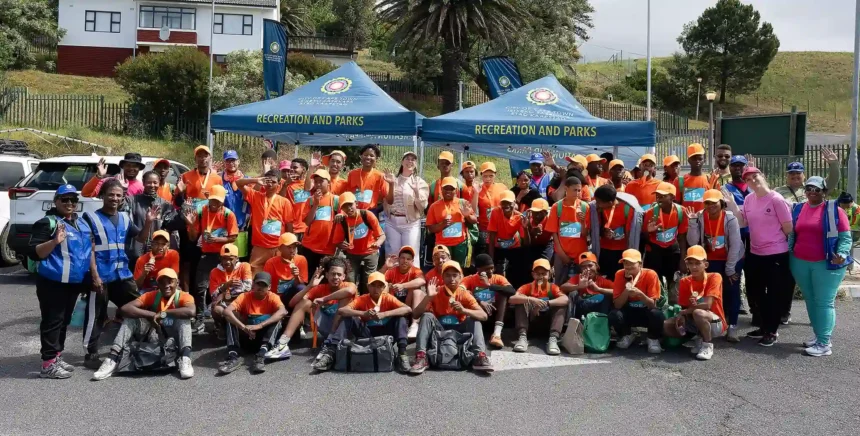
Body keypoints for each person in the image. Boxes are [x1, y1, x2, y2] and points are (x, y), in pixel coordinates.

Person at [723, 167, 793, 346]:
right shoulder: (748, 199)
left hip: (776, 254)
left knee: (774, 294)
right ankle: (763, 326)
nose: (753, 181)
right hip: (755, 253)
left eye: (755, 177)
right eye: (748, 180)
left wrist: (775, 242)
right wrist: (731, 203)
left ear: (763, 176)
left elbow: (788, 228)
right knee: (756, 292)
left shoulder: (776, 199)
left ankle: (772, 331)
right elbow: (743, 221)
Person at [29, 184, 93, 378]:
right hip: (52, 282)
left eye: (73, 199)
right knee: (52, 321)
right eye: (64, 199)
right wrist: (54, 241)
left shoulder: (80, 223)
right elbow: (35, 252)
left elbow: (85, 252)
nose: (69, 203)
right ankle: (47, 364)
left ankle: (56, 357)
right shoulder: (47, 222)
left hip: (72, 283)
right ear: (56, 202)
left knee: (63, 321)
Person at [788, 176, 852, 357]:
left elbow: (846, 238)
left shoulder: (834, 210)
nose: (812, 192)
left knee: (824, 302)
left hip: (828, 263)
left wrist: (843, 254)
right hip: (800, 261)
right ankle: (818, 336)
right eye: (809, 188)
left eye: (817, 189)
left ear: (824, 192)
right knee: (810, 299)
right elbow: (793, 234)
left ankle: (824, 343)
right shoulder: (799, 208)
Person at [92, 268, 195, 380]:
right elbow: (125, 309)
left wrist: (164, 313)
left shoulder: (184, 296)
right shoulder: (152, 295)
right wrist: (151, 315)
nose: (166, 286)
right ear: (157, 285)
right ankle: (112, 359)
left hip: (173, 338)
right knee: (130, 320)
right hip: (155, 335)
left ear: (177, 282)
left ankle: (185, 358)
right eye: (162, 282)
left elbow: (191, 311)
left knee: (185, 320)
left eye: (170, 281)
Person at [81, 179, 141, 369]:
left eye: (118, 195)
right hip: (100, 275)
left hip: (122, 273)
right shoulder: (90, 218)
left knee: (138, 306)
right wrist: (95, 276)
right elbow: (88, 249)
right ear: (102, 196)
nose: (114, 198)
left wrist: (148, 222)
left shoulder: (125, 217)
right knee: (96, 315)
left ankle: (139, 342)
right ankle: (91, 354)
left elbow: (139, 236)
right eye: (111, 194)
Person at [314, 272, 414, 372]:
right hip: (367, 332)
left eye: (379, 286)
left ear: (384, 287)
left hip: (386, 331)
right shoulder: (363, 299)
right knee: (348, 318)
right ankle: (331, 353)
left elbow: (408, 309)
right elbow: (342, 311)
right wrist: (363, 314)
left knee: (401, 318)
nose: (376, 289)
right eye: (373, 285)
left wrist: (385, 314)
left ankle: (402, 354)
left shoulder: (388, 297)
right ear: (368, 286)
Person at [409, 261, 493, 374]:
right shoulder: (436, 291)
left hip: (459, 331)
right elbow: (415, 314)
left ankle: (480, 356)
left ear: (460, 277)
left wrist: (464, 310)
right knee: (427, 316)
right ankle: (421, 356)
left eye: (455, 275)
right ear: (442, 277)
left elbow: (483, 316)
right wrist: (428, 297)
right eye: (448, 275)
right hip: (440, 331)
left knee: (475, 320)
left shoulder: (464, 294)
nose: (451, 279)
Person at [687, 189, 744, 342]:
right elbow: (693, 243)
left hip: (731, 260)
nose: (711, 205)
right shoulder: (699, 217)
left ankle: (732, 327)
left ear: (721, 203)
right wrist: (692, 223)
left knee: (731, 291)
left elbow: (735, 246)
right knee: (709, 294)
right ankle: (712, 325)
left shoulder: (730, 219)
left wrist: (730, 269)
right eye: (707, 203)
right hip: (709, 261)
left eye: (714, 202)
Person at [184, 184, 239, 331]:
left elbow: (233, 236)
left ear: (223, 201)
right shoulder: (202, 212)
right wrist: (191, 225)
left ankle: (222, 318)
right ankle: (200, 319)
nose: (215, 204)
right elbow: (193, 237)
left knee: (227, 287)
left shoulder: (228, 214)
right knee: (200, 287)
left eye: (218, 201)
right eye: (212, 200)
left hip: (224, 256)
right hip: (206, 255)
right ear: (208, 198)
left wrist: (216, 239)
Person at [662, 246, 727, 361]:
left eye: (698, 263)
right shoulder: (684, 281)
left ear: (705, 265)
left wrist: (687, 311)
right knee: (666, 325)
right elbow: (684, 306)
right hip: (693, 319)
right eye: (690, 263)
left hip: (715, 323)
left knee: (699, 313)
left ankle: (707, 345)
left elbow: (707, 305)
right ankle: (697, 337)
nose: (694, 267)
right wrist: (681, 316)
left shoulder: (715, 277)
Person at [218, 272, 288, 374]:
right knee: (230, 318)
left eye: (264, 285)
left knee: (278, 319)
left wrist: (259, 325)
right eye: (258, 284)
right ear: (253, 285)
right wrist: (244, 328)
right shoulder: (244, 296)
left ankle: (261, 356)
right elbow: (226, 311)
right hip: (246, 335)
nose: (260, 287)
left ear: (269, 287)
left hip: (263, 338)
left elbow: (283, 311)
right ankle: (233, 357)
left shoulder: (273, 297)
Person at [176, 145, 223, 295]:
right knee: (187, 262)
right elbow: (177, 202)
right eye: (199, 156)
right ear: (195, 159)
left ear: (210, 158)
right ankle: (187, 294)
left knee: (207, 262)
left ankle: (206, 296)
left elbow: (221, 202)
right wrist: (181, 192)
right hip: (189, 225)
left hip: (208, 226)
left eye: (205, 156)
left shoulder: (217, 178)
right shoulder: (186, 176)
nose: (202, 159)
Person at [299, 257, 358, 370]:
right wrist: (309, 286)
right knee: (305, 302)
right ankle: (283, 341)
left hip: (347, 328)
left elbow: (350, 292)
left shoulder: (349, 285)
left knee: (345, 305)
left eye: (339, 274)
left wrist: (324, 299)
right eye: (333, 274)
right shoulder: (320, 288)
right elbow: (295, 303)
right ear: (326, 275)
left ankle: (331, 346)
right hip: (327, 327)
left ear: (344, 276)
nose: (336, 277)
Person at [236, 171, 294, 274]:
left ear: (279, 184)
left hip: (278, 247)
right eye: (267, 181)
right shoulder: (255, 196)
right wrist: (256, 180)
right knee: (254, 278)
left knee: (278, 276)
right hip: (259, 248)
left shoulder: (284, 202)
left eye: (273, 182)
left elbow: (289, 226)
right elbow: (238, 183)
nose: (270, 184)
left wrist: (289, 246)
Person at [508, 258, 569, 354]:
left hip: (548, 323)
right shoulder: (527, 287)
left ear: (549, 274)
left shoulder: (553, 287)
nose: (540, 276)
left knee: (561, 304)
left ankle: (553, 339)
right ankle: (522, 337)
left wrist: (547, 303)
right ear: (533, 274)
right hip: (531, 322)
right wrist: (531, 299)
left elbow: (565, 299)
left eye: (544, 274)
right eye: (538, 273)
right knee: (521, 300)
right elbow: (512, 299)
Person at [609, 249, 665, 353]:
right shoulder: (619, 274)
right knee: (614, 314)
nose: (628, 266)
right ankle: (627, 335)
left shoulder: (650, 274)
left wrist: (640, 294)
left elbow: (653, 305)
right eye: (625, 263)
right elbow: (617, 305)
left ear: (640, 264)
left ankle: (653, 339)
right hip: (629, 311)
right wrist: (627, 289)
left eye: (631, 263)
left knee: (657, 314)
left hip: (645, 311)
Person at [125, 170, 182, 269]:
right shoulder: (132, 201)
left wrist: (182, 204)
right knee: (135, 279)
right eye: (149, 182)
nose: (152, 185)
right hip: (135, 250)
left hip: (156, 250)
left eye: (155, 182)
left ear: (159, 183)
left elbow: (173, 224)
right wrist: (122, 189)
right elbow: (120, 208)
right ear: (143, 183)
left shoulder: (165, 204)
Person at [643, 182, 689, 302]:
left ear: (672, 197)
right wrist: (649, 232)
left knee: (673, 282)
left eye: (663, 196)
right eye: (657, 195)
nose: (659, 198)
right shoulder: (650, 213)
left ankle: (673, 308)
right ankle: (657, 305)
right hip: (654, 251)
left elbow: (682, 237)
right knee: (654, 282)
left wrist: (683, 259)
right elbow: (643, 238)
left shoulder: (681, 212)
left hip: (672, 250)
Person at [330, 192, 386, 291]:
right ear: (341, 209)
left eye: (350, 205)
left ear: (356, 203)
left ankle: (366, 301)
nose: (349, 208)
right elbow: (336, 241)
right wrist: (341, 244)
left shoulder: (367, 215)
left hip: (370, 253)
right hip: (352, 254)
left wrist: (378, 243)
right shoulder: (342, 220)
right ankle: (352, 301)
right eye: (345, 206)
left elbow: (382, 236)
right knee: (350, 279)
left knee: (368, 280)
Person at [383, 151, 429, 267]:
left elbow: (422, 206)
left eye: (413, 159)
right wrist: (391, 184)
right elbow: (387, 200)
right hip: (392, 222)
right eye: (407, 158)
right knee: (393, 254)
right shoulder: (393, 179)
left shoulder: (420, 182)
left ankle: (413, 282)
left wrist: (417, 192)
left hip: (410, 223)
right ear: (402, 162)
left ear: (416, 164)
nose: (410, 161)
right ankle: (392, 281)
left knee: (411, 253)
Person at [460, 254, 515, 348]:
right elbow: (459, 291)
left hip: (496, 315)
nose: (490, 271)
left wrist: (489, 285)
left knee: (503, 294)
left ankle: (497, 335)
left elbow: (512, 291)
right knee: (466, 293)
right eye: (486, 269)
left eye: (492, 268)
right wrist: (480, 302)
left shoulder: (498, 278)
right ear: (478, 269)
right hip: (479, 315)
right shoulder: (470, 279)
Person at [545, 176, 590, 284]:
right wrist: (561, 254)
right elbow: (554, 232)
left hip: (580, 255)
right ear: (566, 189)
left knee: (580, 284)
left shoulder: (585, 207)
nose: (578, 193)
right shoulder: (557, 207)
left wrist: (583, 221)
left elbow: (585, 234)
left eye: (579, 190)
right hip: (561, 254)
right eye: (575, 190)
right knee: (560, 283)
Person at [425, 177, 478, 268]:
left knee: (459, 269)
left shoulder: (463, 203)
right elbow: (430, 228)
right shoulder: (434, 206)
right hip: (443, 245)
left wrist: (467, 215)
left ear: (456, 190)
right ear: (441, 189)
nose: (448, 191)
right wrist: (442, 225)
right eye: (446, 188)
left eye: (451, 189)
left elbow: (474, 220)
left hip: (460, 243)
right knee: (443, 268)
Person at [591, 184, 640, 278]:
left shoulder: (628, 209)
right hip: (603, 250)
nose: (596, 204)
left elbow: (630, 233)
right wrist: (603, 232)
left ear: (610, 202)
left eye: (599, 202)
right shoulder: (598, 209)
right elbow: (596, 228)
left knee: (619, 278)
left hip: (621, 251)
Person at [379, 246, 426, 338]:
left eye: (408, 259)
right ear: (398, 259)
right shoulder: (392, 270)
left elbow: (422, 281)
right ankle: (385, 318)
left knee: (416, 290)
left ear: (412, 262)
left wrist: (403, 285)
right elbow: (376, 278)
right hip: (395, 302)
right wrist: (385, 267)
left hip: (410, 303)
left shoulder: (416, 270)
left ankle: (414, 324)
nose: (405, 261)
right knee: (383, 285)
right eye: (403, 258)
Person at [208, 243, 253, 337]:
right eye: (224, 258)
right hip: (225, 303)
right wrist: (225, 286)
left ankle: (238, 329)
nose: (227, 262)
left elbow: (248, 288)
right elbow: (213, 295)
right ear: (220, 259)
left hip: (240, 302)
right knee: (215, 309)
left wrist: (233, 289)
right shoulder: (214, 272)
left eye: (230, 259)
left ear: (237, 258)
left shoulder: (244, 266)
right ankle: (223, 327)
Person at [301, 169, 339, 271]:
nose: (318, 184)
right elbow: (307, 222)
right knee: (308, 277)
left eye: (321, 181)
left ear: (329, 182)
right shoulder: (310, 200)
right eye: (316, 181)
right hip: (309, 246)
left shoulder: (336, 200)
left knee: (324, 278)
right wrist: (316, 204)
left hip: (327, 247)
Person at [487, 190, 527, 285]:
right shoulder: (495, 213)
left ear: (514, 203)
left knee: (515, 271)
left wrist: (526, 228)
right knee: (497, 270)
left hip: (513, 246)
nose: (506, 205)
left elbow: (525, 241)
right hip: (498, 246)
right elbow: (492, 236)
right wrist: (491, 259)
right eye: (503, 203)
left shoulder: (519, 217)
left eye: (509, 203)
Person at [774, 148, 840, 204]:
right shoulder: (777, 191)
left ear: (804, 175)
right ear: (786, 176)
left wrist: (833, 164)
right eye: (792, 173)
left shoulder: (814, 188)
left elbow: (832, 181)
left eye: (798, 173)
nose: (795, 175)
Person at [560, 252, 614, 319]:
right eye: (583, 266)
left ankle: (603, 322)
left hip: (599, 309)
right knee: (573, 293)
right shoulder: (578, 278)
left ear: (597, 266)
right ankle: (570, 323)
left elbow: (617, 291)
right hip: (581, 309)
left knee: (607, 296)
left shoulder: (602, 280)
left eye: (590, 265)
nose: (588, 269)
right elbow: (562, 287)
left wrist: (599, 289)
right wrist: (578, 286)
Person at [263, 232, 309, 308]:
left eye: (294, 247)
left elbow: (301, 285)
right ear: (280, 248)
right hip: (275, 298)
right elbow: (266, 285)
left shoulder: (301, 260)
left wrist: (296, 276)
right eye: (289, 247)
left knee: (302, 288)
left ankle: (295, 313)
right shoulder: (271, 263)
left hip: (291, 296)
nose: (292, 250)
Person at [673, 143, 718, 214]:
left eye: (700, 158)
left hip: (705, 222)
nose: (697, 161)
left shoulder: (711, 179)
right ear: (689, 160)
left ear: (704, 160)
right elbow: (676, 206)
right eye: (694, 158)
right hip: (686, 223)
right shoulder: (679, 181)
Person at [475, 162, 509, 255]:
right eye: (485, 176)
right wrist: (475, 193)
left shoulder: (502, 187)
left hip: (501, 229)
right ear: (481, 175)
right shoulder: (477, 188)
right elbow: (473, 209)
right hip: (484, 230)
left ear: (495, 175)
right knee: (485, 256)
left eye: (491, 176)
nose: (488, 179)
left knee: (500, 256)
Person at [133, 230, 180, 295]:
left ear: (168, 245)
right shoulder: (142, 259)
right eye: (156, 244)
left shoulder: (173, 254)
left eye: (163, 244)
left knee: (178, 291)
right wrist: (144, 273)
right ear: (151, 244)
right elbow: (137, 286)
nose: (160, 247)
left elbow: (174, 278)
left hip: (166, 287)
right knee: (138, 295)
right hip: (148, 290)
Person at [347, 144, 389, 213]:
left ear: (376, 159)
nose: (368, 157)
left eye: (372, 156)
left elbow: (386, 198)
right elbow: (348, 194)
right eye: (365, 155)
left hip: (371, 212)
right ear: (361, 157)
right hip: (354, 212)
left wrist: (391, 184)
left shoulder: (380, 176)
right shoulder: (352, 174)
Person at [220, 150, 250, 234]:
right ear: (224, 163)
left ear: (238, 161)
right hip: (223, 227)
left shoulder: (247, 180)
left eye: (233, 160)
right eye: (228, 161)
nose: (230, 163)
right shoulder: (219, 179)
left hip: (241, 227)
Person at [520, 198, 554, 266]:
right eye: (534, 212)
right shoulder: (527, 220)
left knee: (545, 263)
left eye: (540, 213)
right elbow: (526, 244)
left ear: (546, 213)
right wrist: (527, 229)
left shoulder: (550, 221)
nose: (536, 215)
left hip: (546, 245)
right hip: (532, 245)